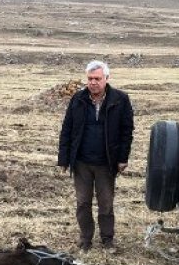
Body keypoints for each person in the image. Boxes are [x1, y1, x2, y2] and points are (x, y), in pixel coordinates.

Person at [57, 60, 134, 251]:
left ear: (106, 79)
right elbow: (67, 129)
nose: (93, 82)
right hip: (81, 162)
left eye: (97, 79)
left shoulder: (120, 99)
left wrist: (123, 158)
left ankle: (107, 240)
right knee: (83, 203)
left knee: (106, 203)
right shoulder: (78, 99)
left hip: (106, 163)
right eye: (90, 79)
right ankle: (85, 240)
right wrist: (64, 159)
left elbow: (127, 131)